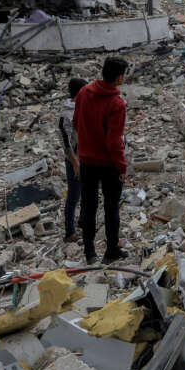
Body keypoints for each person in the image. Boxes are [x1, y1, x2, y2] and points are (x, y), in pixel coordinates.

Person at [72, 57, 129, 264]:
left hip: (87, 161)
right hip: (108, 164)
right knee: (111, 208)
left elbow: (76, 122)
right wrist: (122, 166)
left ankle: (89, 253)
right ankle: (111, 250)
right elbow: (114, 141)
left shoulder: (84, 92)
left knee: (89, 206)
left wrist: (88, 143)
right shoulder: (116, 103)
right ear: (118, 76)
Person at [57, 77, 87, 243]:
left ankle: (83, 221)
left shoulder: (83, 107)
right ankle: (69, 231)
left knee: (87, 190)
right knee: (74, 195)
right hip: (74, 158)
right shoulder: (66, 114)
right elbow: (66, 143)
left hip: (86, 154)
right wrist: (75, 163)